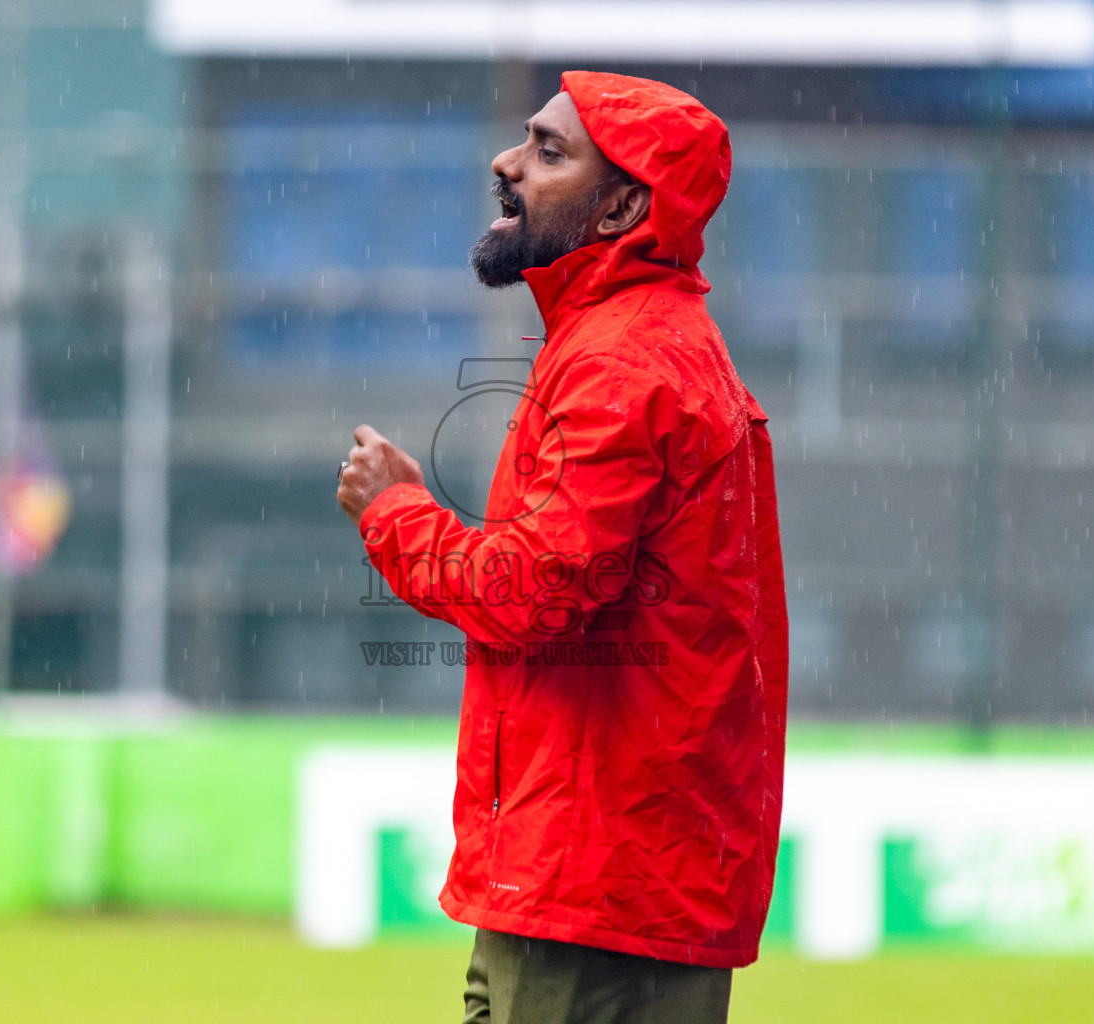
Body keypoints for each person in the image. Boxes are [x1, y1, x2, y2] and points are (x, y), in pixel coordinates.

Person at [337, 71, 788, 1024]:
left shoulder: (622, 362)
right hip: (608, 882)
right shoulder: (629, 343)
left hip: (596, 892)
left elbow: (532, 594)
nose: (506, 163)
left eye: (549, 152)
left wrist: (396, 515)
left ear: (624, 205)